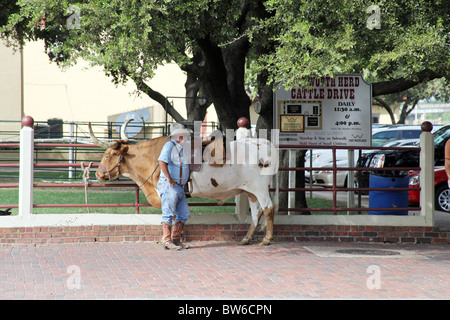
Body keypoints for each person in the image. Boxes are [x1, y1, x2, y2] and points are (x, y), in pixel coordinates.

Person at [157, 125, 191, 250]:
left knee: (184, 213)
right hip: (170, 185)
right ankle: (167, 240)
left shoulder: (180, 148)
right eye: (185, 136)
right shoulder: (170, 146)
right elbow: (162, 161)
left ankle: (175, 239)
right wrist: (169, 179)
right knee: (168, 213)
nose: (187, 138)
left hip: (178, 186)